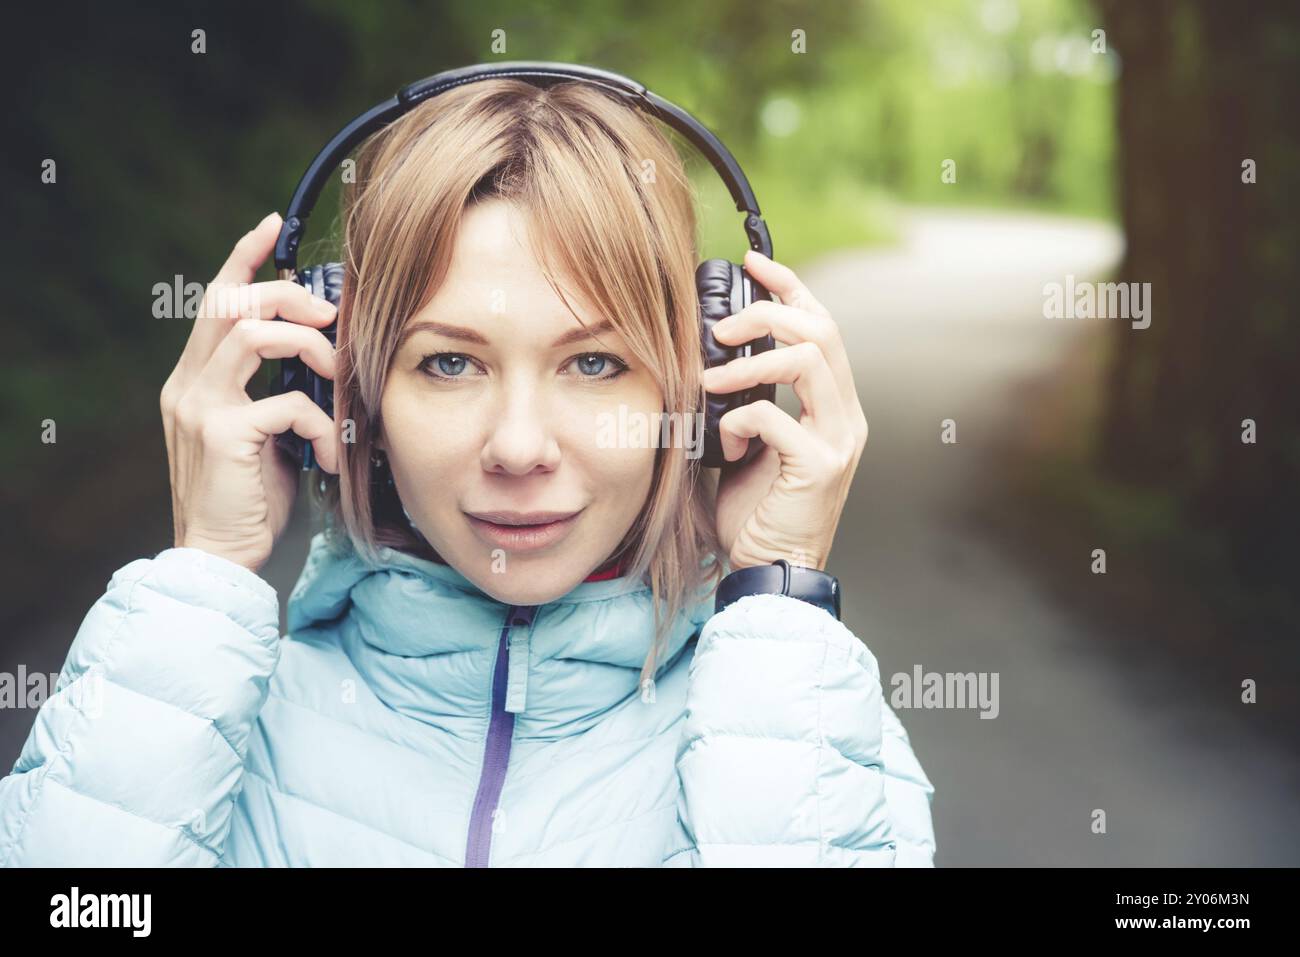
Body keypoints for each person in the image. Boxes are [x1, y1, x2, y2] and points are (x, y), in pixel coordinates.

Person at [0, 77, 935, 866]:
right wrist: (205, 574)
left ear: (707, 389)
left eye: (594, 362)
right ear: (336, 386)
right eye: (449, 363)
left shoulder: (797, 716)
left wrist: (775, 594)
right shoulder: (209, 711)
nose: (520, 447)